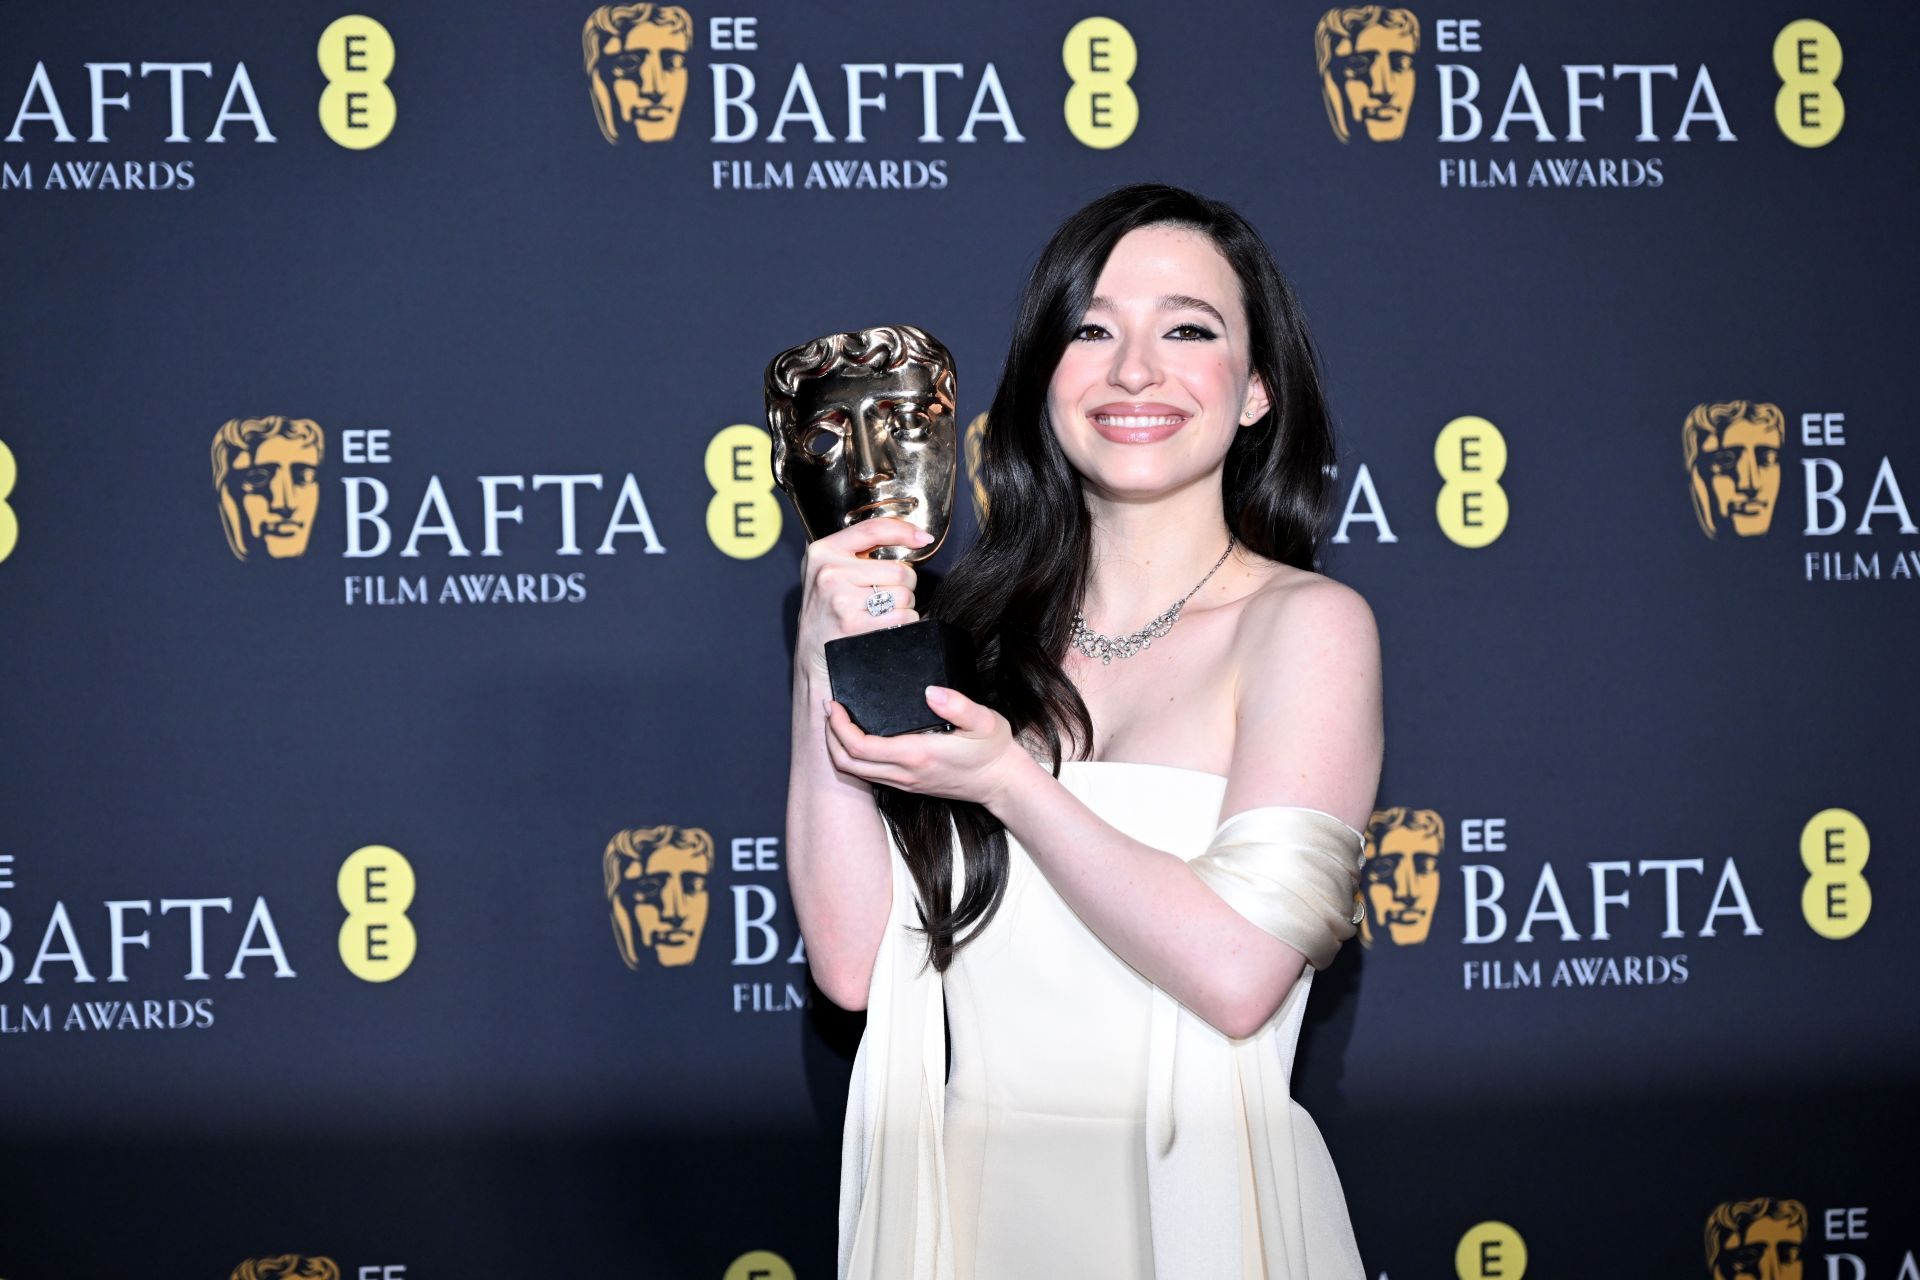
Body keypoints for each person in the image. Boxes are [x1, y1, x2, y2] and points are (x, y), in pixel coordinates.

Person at [784, 183, 1383, 1279]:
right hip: (974, 1215)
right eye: (1092, 329)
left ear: (1256, 390)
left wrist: (1015, 784)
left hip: (1199, 1213)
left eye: (1187, 330)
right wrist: (826, 652)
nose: (1134, 370)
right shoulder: (957, 632)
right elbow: (852, 962)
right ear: (1044, 377)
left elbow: (1240, 969)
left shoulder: (1308, 627)